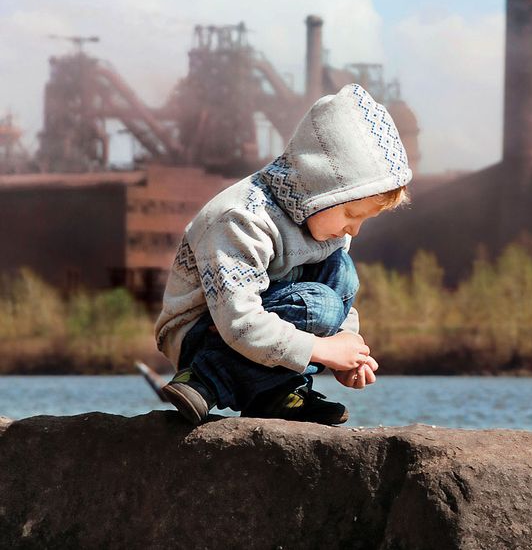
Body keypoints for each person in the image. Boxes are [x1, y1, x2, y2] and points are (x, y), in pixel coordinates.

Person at [156, 83, 412, 425]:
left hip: (258, 321)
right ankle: (204, 379)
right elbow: (238, 320)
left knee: (342, 273)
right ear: (321, 187)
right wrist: (324, 350)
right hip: (205, 332)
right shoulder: (242, 217)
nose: (355, 230)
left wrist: (348, 345)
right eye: (353, 215)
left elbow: (342, 301)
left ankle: (277, 394)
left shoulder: (325, 226)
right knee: (320, 305)